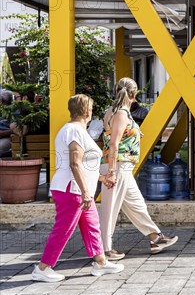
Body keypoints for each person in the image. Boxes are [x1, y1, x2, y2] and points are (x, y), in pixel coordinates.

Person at [32, 95, 124, 282]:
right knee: (63, 229)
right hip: (72, 190)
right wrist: (85, 192)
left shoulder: (74, 130)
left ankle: (101, 262)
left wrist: (101, 178)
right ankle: (43, 268)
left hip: (78, 189)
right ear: (88, 112)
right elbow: (75, 164)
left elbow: (83, 165)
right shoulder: (74, 131)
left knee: (91, 225)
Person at [100, 77, 177, 260]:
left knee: (137, 204)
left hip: (121, 166)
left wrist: (135, 134)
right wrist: (111, 171)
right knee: (109, 209)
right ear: (134, 94)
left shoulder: (112, 112)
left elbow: (117, 134)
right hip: (118, 166)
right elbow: (114, 143)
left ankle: (155, 238)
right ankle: (104, 249)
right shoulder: (120, 114)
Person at [0, 89, 14, 157]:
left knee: (1, 146)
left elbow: (14, 129)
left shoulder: (14, 110)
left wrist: (3, 133)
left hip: (6, 137)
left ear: (2, 101)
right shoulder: (2, 109)